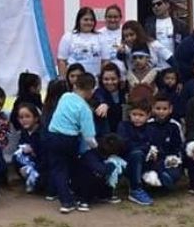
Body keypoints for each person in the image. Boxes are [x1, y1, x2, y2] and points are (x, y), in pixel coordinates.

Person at [47, 72, 98, 214]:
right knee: (71, 167)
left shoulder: (65, 97)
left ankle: (66, 201)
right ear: (91, 90)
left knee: (58, 170)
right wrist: (96, 148)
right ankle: (78, 196)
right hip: (69, 140)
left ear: (75, 86)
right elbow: (89, 137)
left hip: (52, 136)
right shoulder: (85, 109)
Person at [117, 99, 157, 206]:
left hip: (147, 161)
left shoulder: (151, 128)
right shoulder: (123, 126)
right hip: (126, 161)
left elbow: (153, 144)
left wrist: (151, 150)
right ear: (129, 114)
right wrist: (145, 147)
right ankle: (135, 189)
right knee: (136, 154)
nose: (137, 118)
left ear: (148, 116)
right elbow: (124, 144)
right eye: (134, 114)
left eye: (141, 115)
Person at [57, 7, 107, 79]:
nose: (89, 22)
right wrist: (63, 79)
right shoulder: (68, 36)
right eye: (85, 20)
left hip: (94, 80)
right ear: (79, 20)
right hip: (74, 81)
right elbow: (61, 60)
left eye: (91, 20)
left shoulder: (100, 37)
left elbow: (105, 61)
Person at [149, 95, 184, 190]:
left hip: (170, 159)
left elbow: (179, 145)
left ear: (170, 109)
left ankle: (165, 180)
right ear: (153, 109)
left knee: (174, 174)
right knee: (148, 173)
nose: (161, 112)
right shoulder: (148, 124)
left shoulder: (175, 125)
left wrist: (174, 157)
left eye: (164, 109)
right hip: (152, 159)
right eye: (158, 108)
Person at [14, 102, 46, 194]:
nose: (24, 120)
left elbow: (46, 158)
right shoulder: (24, 132)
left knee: (44, 186)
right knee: (16, 157)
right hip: (30, 163)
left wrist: (33, 151)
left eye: (27, 116)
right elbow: (19, 149)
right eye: (21, 117)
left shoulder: (42, 134)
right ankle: (29, 179)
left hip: (42, 166)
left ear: (36, 118)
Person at [93, 63, 128, 134]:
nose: (110, 82)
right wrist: (104, 104)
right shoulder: (99, 92)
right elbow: (99, 97)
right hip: (105, 134)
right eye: (106, 79)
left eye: (113, 79)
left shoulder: (124, 93)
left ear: (118, 79)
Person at [98, 4, 126, 78]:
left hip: (124, 75)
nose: (112, 20)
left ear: (120, 18)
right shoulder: (98, 34)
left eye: (115, 17)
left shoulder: (126, 31)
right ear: (105, 18)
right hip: (105, 75)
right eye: (109, 17)